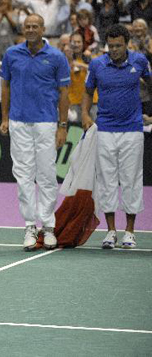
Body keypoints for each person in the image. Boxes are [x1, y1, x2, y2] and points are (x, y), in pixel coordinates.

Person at [0, 14, 70, 251]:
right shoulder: (11, 54)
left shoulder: (57, 57)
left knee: (47, 175)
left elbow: (64, 93)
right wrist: (5, 117)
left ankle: (48, 226)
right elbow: (5, 86)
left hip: (47, 123)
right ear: (23, 29)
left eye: (35, 26)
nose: (30, 29)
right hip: (19, 122)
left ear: (43, 29)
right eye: (27, 26)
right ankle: (30, 225)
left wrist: (62, 125)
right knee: (24, 176)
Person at [81, 24, 151, 249]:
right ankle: (111, 231)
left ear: (127, 43)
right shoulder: (97, 64)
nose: (114, 50)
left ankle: (129, 232)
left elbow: (150, 83)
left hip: (132, 129)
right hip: (105, 129)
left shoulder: (140, 62)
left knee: (131, 179)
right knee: (107, 180)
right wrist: (84, 114)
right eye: (110, 46)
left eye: (118, 46)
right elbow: (88, 91)